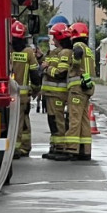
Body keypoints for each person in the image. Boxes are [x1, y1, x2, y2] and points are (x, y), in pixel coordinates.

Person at [59, 22, 95, 161]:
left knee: (74, 118)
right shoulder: (89, 49)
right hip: (87, 87)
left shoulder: (77, 47)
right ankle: (85, 150)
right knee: (84, 120)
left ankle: (71, 149)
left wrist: (73, 62)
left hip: (77, 88)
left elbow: (76, 61)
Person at [9, 20, 42, 158]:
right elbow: (35, 73)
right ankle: (24, 147)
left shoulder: (8, 50)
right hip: (24, 95)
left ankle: (16, 148)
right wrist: (35, 89)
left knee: (16, 122)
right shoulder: (28, 52)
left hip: (9, 92)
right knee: (24, 121)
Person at [41, 22, 72, 160]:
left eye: (54, 37)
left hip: (58, 93)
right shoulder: (54, 52)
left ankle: (61, 148)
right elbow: (46, 63)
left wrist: (47, 69)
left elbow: (61, 73)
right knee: (52, 120)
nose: (52, 40)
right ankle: (54, 146)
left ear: (60, 38)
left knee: (58, 120)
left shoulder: (65, 52)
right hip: (50, 93)